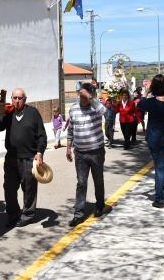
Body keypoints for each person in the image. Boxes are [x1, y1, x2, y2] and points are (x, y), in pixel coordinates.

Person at [0, 88, 47, 228]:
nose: (16, 101)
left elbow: (42, 136)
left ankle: (28, 214)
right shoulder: (9, 113)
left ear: (25, 99)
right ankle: (13, 214)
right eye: (14, 98)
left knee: (29, 188)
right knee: (9, 188)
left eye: (19, 98)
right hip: (11, 158)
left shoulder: (33, 113)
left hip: (29, 158)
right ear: (11, 99)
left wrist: (39, 153)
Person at [66, 83, 107, 226]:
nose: (81, 97)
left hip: (96, 151)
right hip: (80, 153)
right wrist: (68, 147)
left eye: (84, 95)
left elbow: (105, 112)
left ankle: (100, 205)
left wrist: (90, 97)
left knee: (98, 180)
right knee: (81, 183)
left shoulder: (95, 107)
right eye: (80, 94)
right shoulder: (73, 109)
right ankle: (78, 214)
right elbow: (71, 129)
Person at [138, 75, 164, 208]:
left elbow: (139, 105)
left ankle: (159, 199)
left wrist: (146, 92)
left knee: (160, 168)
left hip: (155, 138)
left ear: (153, 87)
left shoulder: (150, 102)